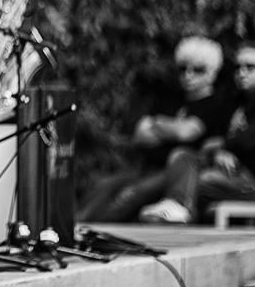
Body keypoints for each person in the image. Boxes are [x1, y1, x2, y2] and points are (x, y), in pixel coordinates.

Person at [77, 36, 234, 223]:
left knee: (128, 195)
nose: (188, 75)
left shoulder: (216, 104)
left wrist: (158, 124)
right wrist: (173, 127)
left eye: (198, 70)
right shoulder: (171, 98)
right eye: (183, 68)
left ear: (212, 73)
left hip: (178, 173)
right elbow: (140, 135)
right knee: (103, 186)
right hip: (149, 167)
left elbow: (186, 132)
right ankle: (74, 228)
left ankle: (93, 232)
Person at [139, 41, 255, 223]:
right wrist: (221, 150)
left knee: (194, 180)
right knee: (184, 155)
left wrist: (219, 146)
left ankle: (179, 207)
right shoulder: (237, 99)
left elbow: (250, 139)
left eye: (250, 67)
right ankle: (177, 208)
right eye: (237, 67)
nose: (241, 73)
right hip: (231, 173)